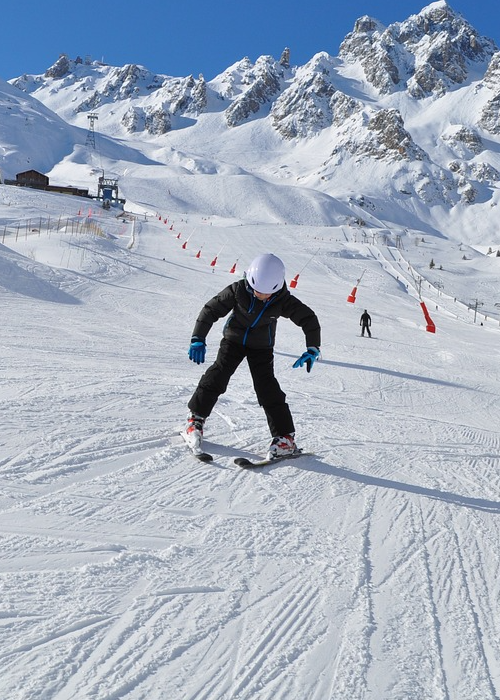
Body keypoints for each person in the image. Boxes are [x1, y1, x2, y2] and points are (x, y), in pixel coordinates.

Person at [185, 253, 321, 460]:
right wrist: (198, 338)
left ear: (276, 288)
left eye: (266, 294)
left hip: (262, 347)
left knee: (266, 386)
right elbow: (211, 309)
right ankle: (195, 419)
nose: (260, 296)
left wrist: (313, 347)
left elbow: (308, 319)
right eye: (257, 291)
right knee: (218, 374)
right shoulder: (238, 290)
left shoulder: (283, 300)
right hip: (233, 340)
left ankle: (284, 438)